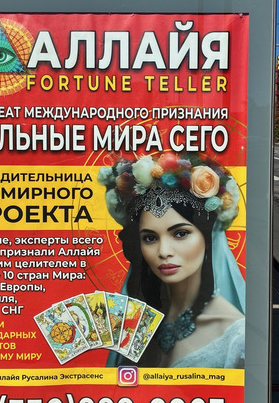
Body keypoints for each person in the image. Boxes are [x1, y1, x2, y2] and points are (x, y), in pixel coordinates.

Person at [98, 153, 246, 369]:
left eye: (180, 234)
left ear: (207, 237)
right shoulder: (132, 322)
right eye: (150, 238)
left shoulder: (236, 337)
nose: (164, 251)